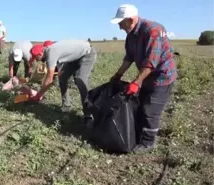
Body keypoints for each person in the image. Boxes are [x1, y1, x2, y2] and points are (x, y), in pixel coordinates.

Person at [109, 4, 177, 154]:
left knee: (150, 109)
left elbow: (151, 63)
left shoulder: (153, 30)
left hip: (161, 76)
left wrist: (136, 83)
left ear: (130, 19)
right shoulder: (131, 36)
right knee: (141, 105)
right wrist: (118, 75)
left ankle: (148, 142)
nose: (120, 27)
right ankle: (139, 135)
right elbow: (129, 57)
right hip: (147, 75)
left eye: (121, 23)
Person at [29, 40, 97, 126]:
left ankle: (88, 113)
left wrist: (39, 95)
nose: (36, 60)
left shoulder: (50, 53)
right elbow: (53, 74)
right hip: (76, 57)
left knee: (80, 80)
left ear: (40, 54)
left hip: (87, 53)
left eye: (36, 58)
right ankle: (66, 106)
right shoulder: (49, 51)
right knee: (62, 77)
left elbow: (49, 79)